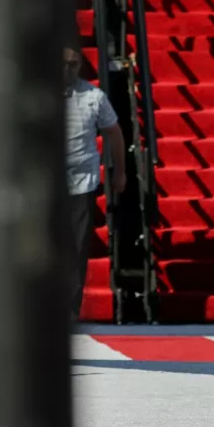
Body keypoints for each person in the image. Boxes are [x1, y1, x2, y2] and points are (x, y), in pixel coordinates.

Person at [64, 45, 125, 321]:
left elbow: (114, 132)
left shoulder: (93, 96)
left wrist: (119, 172)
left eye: (74, 64)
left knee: (77, 248)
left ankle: (70, 310)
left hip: (81, 182)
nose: (69, 69)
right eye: (64, 63)